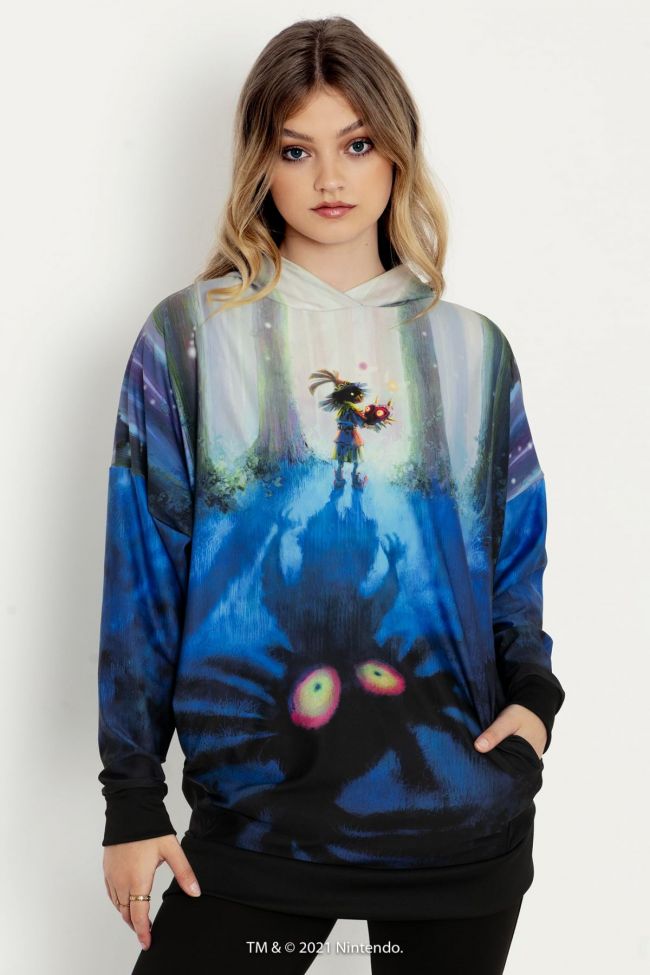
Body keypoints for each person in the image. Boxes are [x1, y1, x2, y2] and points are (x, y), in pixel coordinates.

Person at [97, 16, 566, 974]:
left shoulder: (474, 350)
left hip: (461, 832)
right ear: (259, 165)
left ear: (396, 153)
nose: (329, 179)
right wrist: (133, 798)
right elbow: (142, 577)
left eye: (356, 145)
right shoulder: (191, 338)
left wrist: (533, 705)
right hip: (254, 829)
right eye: (295, 150)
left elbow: (513, 563)